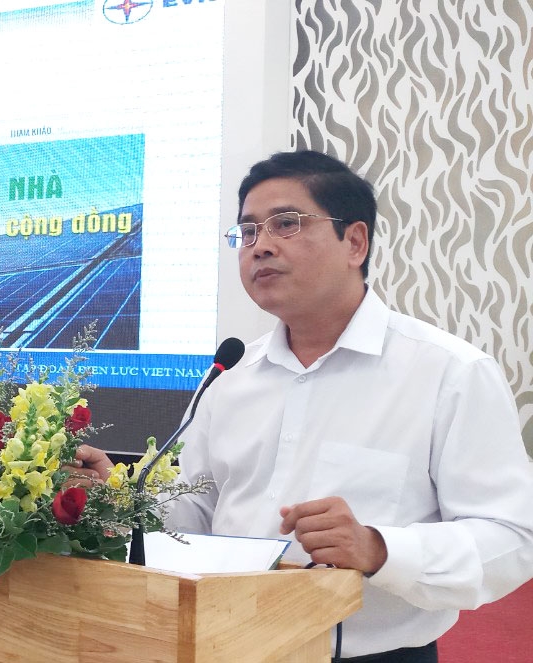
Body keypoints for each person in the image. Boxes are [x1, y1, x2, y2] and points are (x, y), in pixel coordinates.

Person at [73, 150, 533, 661]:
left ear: (354, 242)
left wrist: (379, 548)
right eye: (248, 231)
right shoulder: (229, 378)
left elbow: (512, 538)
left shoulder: (450, 373)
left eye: (286, 223)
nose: (261, 246)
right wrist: (120, 499)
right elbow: (196, 515)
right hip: (224, 645)